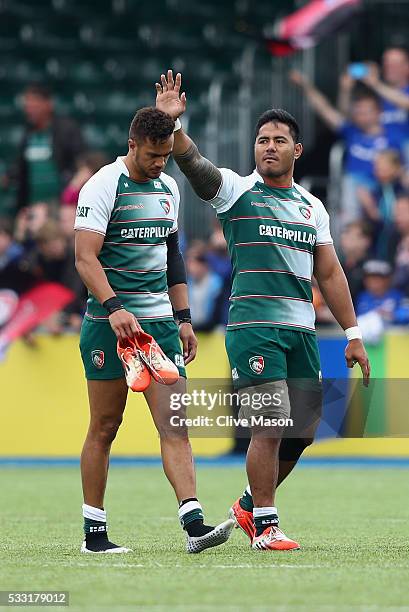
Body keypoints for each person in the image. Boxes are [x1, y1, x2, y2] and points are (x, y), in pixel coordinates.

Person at [155, 70, 370, 552]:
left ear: (297, 150)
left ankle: (250, 505)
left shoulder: (312, 208)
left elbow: (330, 273)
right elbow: (194, 165)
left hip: (302, 333)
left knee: (303, 432)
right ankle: (266, 526)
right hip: (254, 329)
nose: (268, 147)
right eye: (261, 140)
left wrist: (352, 332)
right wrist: (175, 128)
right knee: (269, 425)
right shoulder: (237, 191)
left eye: (278, 140)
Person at [74, 106, 234, 554]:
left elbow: (173, 256)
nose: (160, 162)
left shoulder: (168, 188)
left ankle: (195, 525)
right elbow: (85, 258)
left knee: (175, 424)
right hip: (109, 326)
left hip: (161, 325)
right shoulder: (103, 185)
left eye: (165, 155)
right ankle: (95, 535)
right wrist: (114, 307)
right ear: (132, 145)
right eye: (152, 155)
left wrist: (183, 319)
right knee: (105, 425)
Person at [289, 70, 402, 222]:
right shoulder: (351, 131)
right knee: (349, 184)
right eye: (359, 111)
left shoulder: (393, 136)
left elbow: (399, 169)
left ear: (378, 112)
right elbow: (324, 109)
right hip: (352, 189)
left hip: (381, 190)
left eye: (367, 111)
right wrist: (305, 85)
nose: (362, 115)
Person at [9, 83, 86, 212]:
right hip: (32, 206)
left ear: (48, 104)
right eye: (27, 106)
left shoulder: (66, 130)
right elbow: (20, 170)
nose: (29, 110)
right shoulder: (27, 135)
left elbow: (82, 162)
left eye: (35, 105)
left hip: (60, 207)